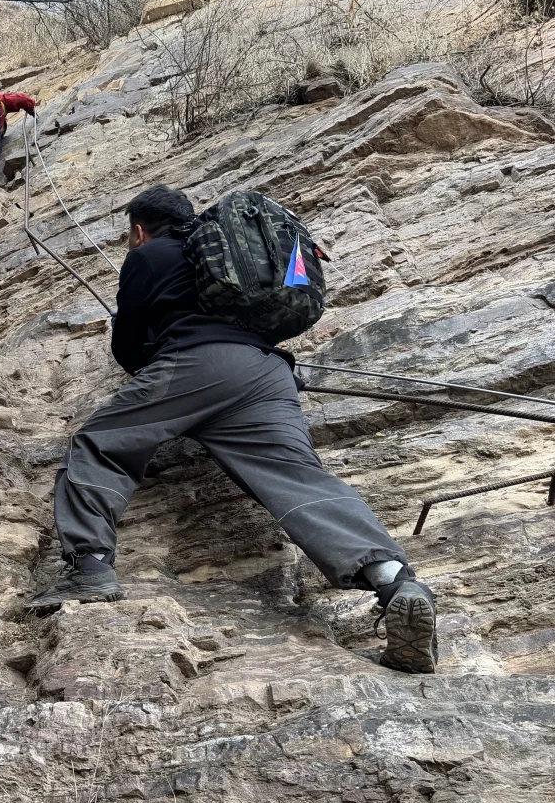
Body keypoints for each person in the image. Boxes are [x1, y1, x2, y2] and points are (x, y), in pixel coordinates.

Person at [27, 184, 438, 674]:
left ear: (138, 230)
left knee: (99, 444)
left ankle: (89, 568)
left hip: (197, 365)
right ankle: (393, 580)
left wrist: (159, 368)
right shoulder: (229, 253)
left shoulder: (148, 254)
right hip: (268, 375)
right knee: (297, 478)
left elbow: (128, 347)